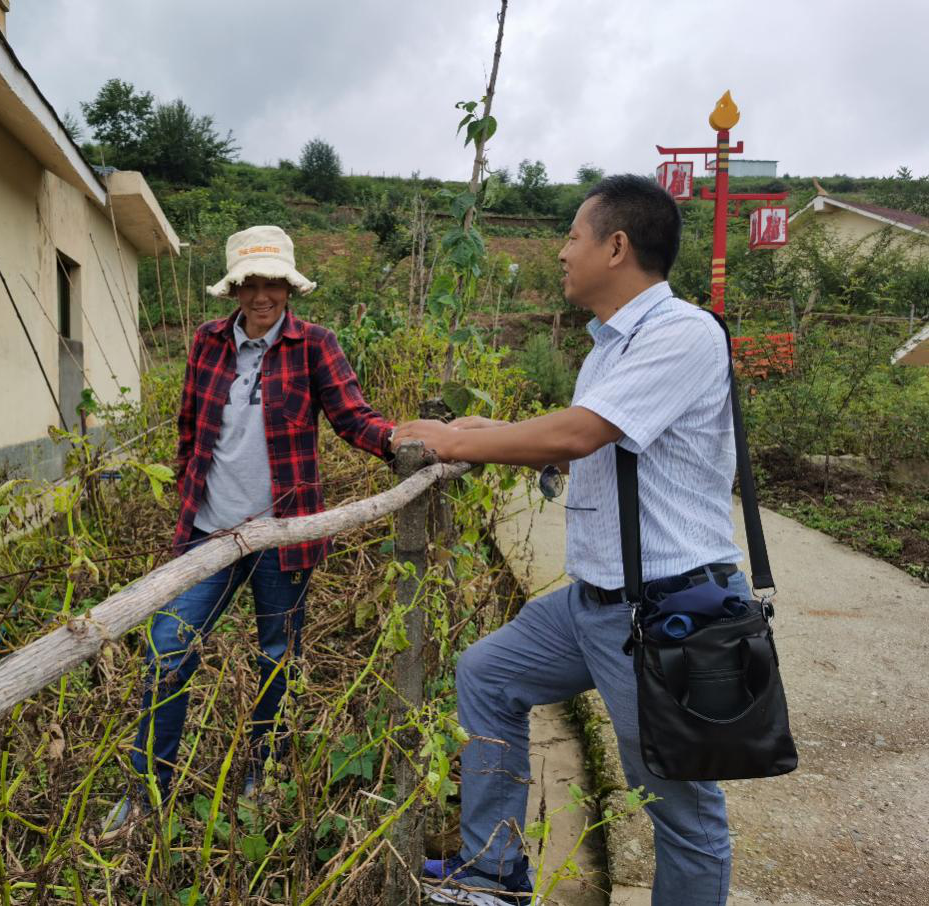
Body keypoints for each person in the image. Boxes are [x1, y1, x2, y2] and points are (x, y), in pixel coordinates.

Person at [393, 175, 749, 906]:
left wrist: (464, 441)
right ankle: (493, 874)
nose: (561, 251)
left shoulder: (682, 332)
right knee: (488, 675)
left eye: (573, 235)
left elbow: (583, 431)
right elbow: (574, 445)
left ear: (616, 247)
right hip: (595, 606)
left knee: (680, 809)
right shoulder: (608, 349)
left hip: (666, 612)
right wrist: (470, 432)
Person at [104, 225, 396, 832]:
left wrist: (404, 444)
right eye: (250, 283)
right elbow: (189, 428)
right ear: (235, 288)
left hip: (280, 537)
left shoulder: (315, 344)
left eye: (274, 283)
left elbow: (351, 417)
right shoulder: (208, 342)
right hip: (209, 534)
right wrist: (187, 501)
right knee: (167, 650)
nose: (263, 295)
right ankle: (146, 792)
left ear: (290, 287)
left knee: (275, 654)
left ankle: (263, 772)